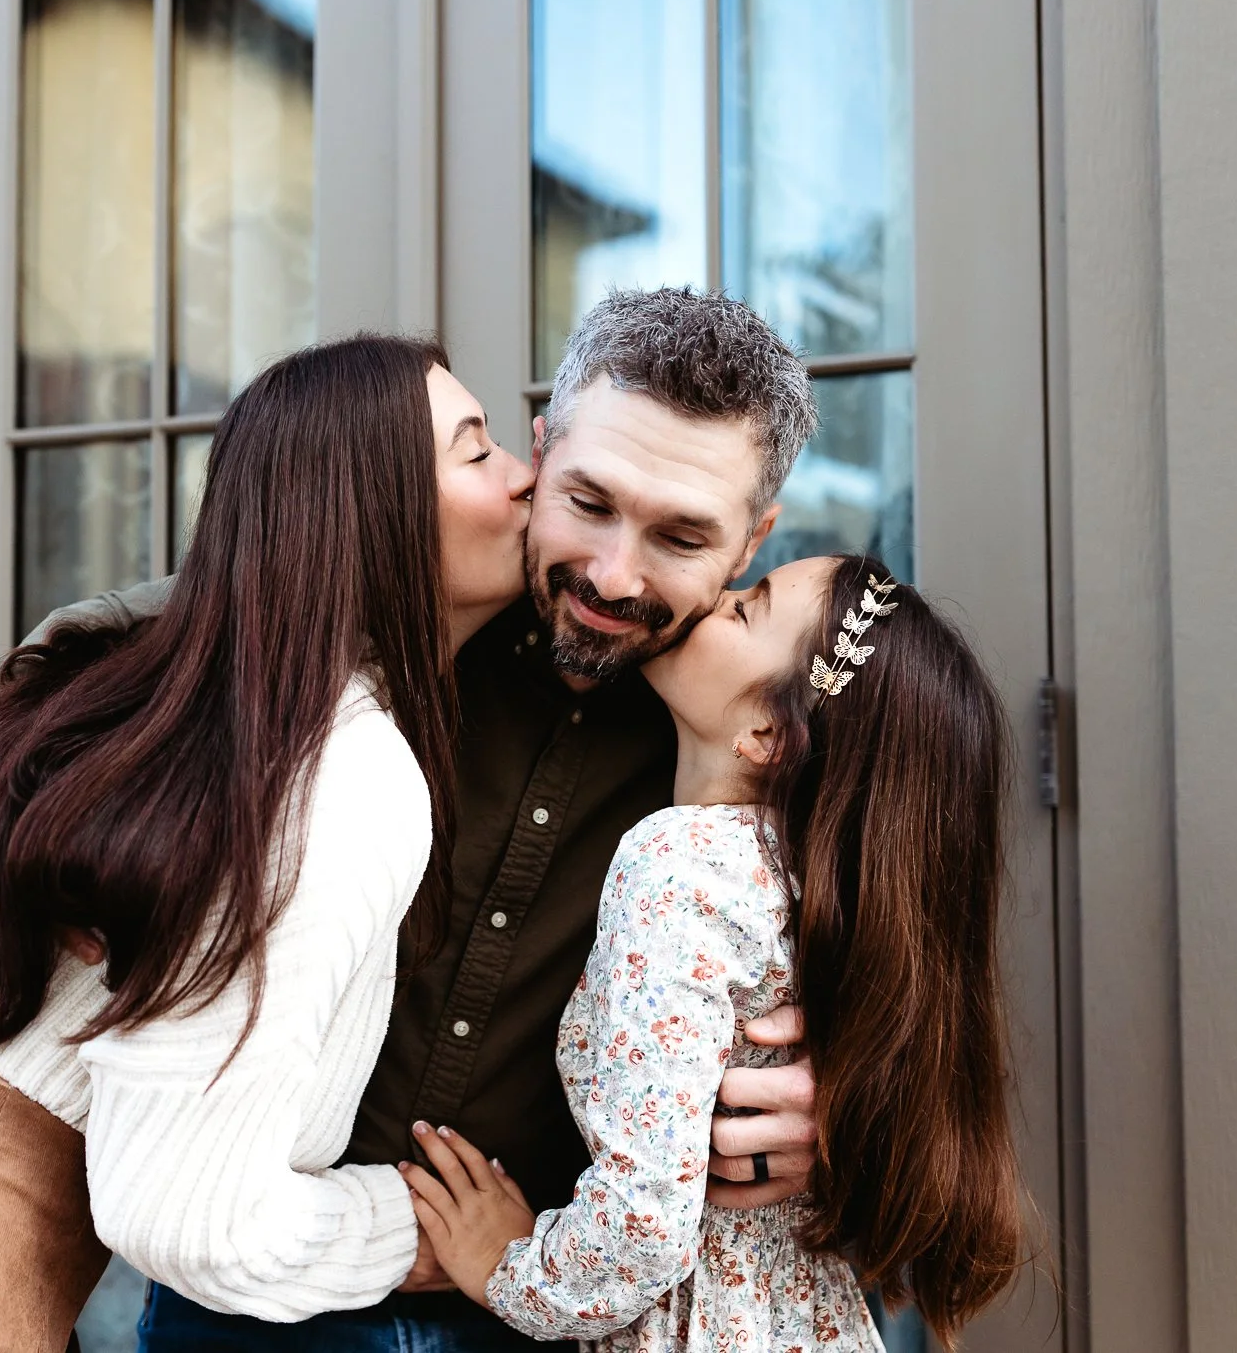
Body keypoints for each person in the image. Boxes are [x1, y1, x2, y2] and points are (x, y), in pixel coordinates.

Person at [0, 335, 535, 1352]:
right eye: (476, 451)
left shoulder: (208, 722)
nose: (524, 475)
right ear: (369, 509)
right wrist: (431, 1232)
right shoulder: (336, 766)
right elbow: (190, 1216)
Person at [37, 288, 835, 1350]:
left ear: (751, 541)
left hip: (547, 1311)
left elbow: (896, 985)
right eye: (587, 501)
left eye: (680, 534)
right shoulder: (399, 617)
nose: (611, 573)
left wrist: (840, 1107)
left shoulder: (754, 743)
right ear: (539, 452)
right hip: (259, 1290)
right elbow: (147, 634)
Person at [406, 553, 1030, 1351]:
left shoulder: (677, 864)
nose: (714, 602)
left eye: (746, 608)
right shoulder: (819, 885)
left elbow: (643, 1223)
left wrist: (510, 1270)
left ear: (768, 734)